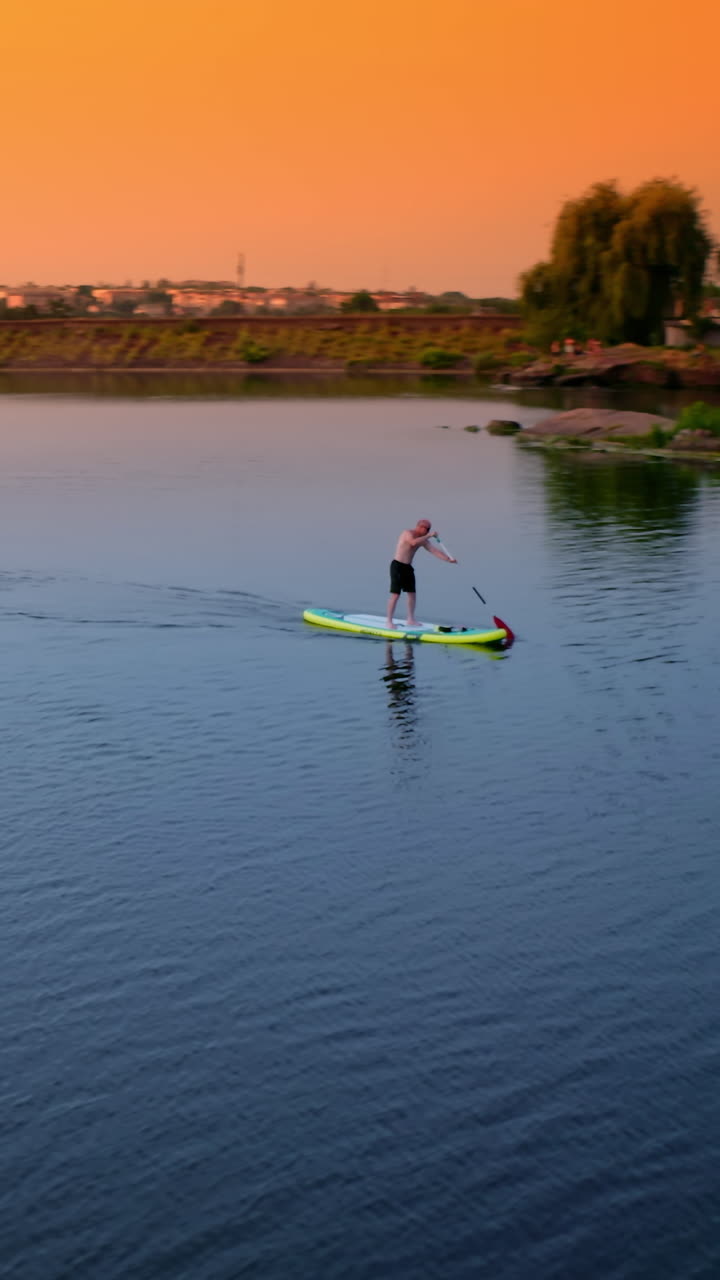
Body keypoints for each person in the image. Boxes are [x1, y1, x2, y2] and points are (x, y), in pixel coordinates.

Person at [386, 519, 457, 629]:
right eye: (427, 529)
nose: (428, 531)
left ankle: (410, 619)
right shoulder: (407, 533)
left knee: (412, 594)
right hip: (397, 566)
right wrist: (429, 535)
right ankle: (389, 621)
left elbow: (434, 551)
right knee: (396, 595)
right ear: (420, 527)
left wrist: (448, 559)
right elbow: (412, 542)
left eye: (429, 529)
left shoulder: (423, 540)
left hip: (408, 568)